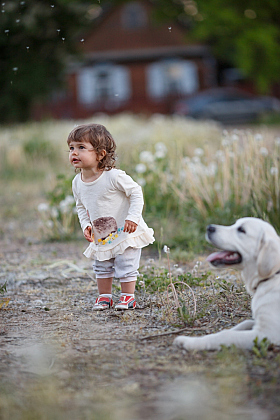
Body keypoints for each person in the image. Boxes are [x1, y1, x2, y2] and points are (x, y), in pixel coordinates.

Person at [67, 123, 154, 311]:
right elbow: (81, 207)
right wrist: (85, 226)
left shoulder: (113, 176)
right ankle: (104, 297)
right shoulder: (77, 182)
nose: (74, 152)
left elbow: (136, 193)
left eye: (81, 147)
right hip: (101, 233)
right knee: (101, 264)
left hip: (125, 230)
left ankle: (128, 297)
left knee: (126, 263)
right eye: (71, 148)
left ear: (100, 154)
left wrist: (133, 217)